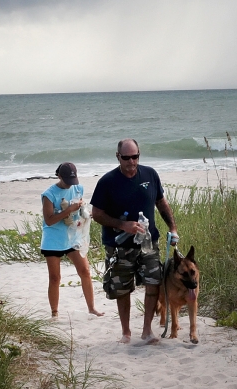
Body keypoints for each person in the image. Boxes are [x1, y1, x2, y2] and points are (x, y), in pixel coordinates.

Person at [89, 138, 179, 344]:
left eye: (135, 156)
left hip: (148, 242)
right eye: (126, 157)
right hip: (119, 245)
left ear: (139, 155)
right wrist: (123, 225)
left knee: (153, 282)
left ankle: (147, 330)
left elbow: (161, 203)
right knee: (122, 288)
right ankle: (126, 332)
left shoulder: (150, 174)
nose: (132, 162)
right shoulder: (107, 182)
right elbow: (97, 214)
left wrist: (173, 228)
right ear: (118, 157)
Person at [40, 162, 104, 319]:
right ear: (59, 176)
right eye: (68, 181)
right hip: (53, 238)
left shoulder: (78, 188)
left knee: (85, 271)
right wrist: (68, 210)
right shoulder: (49, 194)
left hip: (72, 236)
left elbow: (80, 209)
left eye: (73, 180)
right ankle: (54, 312)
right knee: (55, 277)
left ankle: (91, 308)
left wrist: (87, 214)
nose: (71, 185)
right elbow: (49, 220)